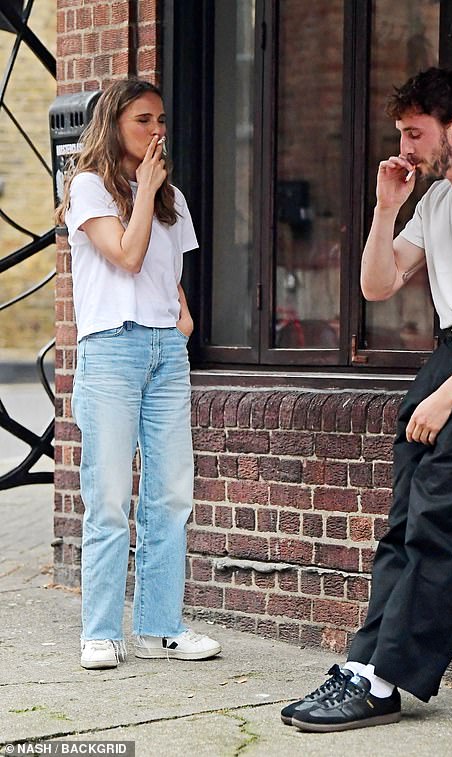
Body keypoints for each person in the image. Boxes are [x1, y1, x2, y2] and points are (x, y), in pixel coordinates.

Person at [281, 67, 452, 732]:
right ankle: (363, 664)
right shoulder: (436, 200)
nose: (405, 147)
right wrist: (387, 206)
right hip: (450, 356)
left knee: (442, 528)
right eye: (402, 134)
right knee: (405, 523)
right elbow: (376, 285)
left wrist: (448, 395)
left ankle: (384, 680)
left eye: (415, 133)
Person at [55, 78, 221, 670]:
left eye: (160, 120)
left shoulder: (170, 197)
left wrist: (181, 316)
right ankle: (100, 631)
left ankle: (162, 624)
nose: (156, 131)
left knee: (171, 492)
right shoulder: (89, 187)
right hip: (112, 353)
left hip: (164, 354)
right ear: (114, 125)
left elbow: (161, 268)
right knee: (107, 497)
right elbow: (125, 254)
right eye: (143, 121)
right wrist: (145, 190)